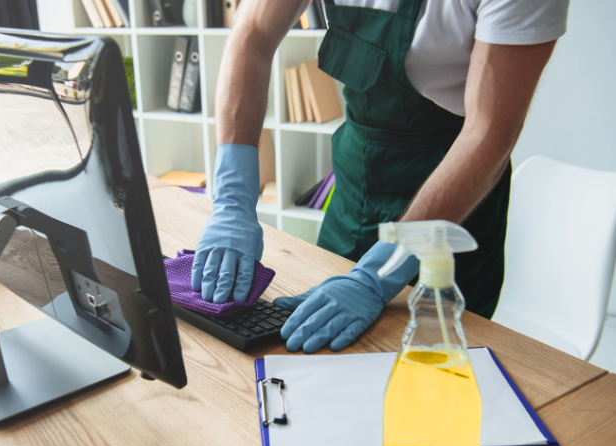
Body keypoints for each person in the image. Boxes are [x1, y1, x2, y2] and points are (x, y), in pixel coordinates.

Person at [191, 0, 569, 353]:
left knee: (427, 380)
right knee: (311, 358)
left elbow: (489, 132)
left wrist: (380, 273)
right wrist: (232, 200)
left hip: (449, 204)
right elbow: (252, 34)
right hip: (355, 186)